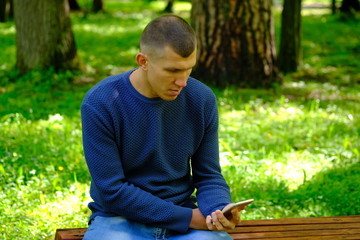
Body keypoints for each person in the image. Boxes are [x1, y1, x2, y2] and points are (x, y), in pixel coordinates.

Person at [81, 14, 244, 240]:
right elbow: (111, 191)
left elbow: (208, 175)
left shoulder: (201, 99)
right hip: (119, 220)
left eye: (189, 69)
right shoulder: (102, 102)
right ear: (143, 61)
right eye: (172, 71)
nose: (183, 81)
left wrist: (218, 210)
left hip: (185, 219)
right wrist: (189, 218)